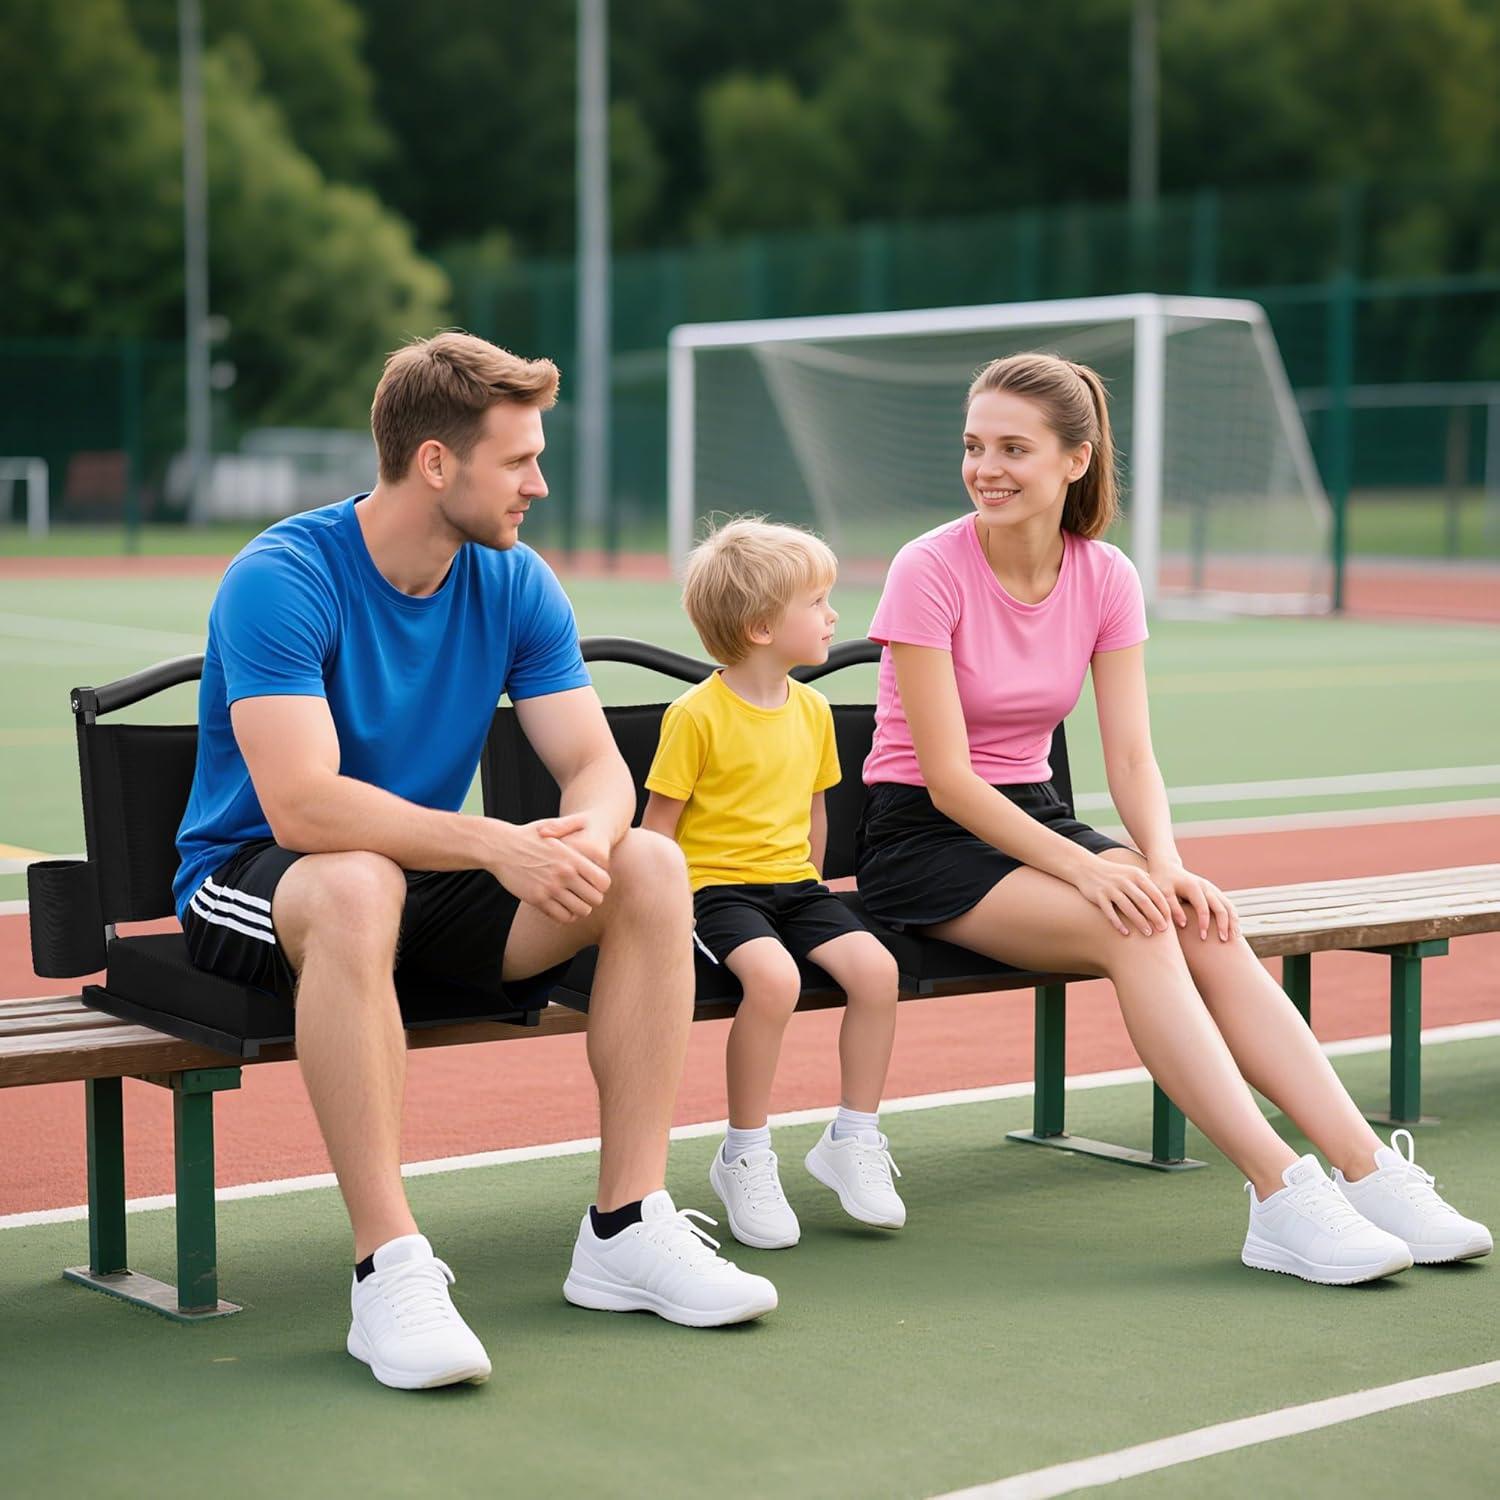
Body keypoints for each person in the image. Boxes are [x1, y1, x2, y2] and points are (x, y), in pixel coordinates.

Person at [174, 332, 776, 1391]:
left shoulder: (514, 580)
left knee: (648, 868)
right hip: (256, 883)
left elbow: (595, 765)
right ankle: (389, 1270)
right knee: (361, 881)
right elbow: (305, 806)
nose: (540, 485)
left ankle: (628, 1227)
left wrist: (586, 841)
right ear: (437, 463)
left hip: (414, 891)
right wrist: (500, 846)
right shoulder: (283, 575)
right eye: (520, 461)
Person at [854, 351, 1492, 1286]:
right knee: (1139, 928)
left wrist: (1165, 859)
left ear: (1075, 460)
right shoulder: (928, 568)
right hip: (924, 840)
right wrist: (1094, 872)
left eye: (1013, 448)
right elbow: (946, 780)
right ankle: (1280, 1195)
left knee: (1192, 916)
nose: (985, 467)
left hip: (1035, 817)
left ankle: (1371, 1171)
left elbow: (1131, 756)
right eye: (974, 445)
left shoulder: (1105, 574)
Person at [642, 520, 903, 1250]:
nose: (833, 615)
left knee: (877, 971)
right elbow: (656, 829)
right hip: (715, 893)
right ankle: (745, 1153)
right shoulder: (694, 716)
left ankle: (853, 1137)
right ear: (761, 626)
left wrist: (812, 889)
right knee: (775, 982)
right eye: (817, 602)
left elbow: (814, 814)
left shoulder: (813, 710)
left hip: (797, 887)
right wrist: (656, 915)